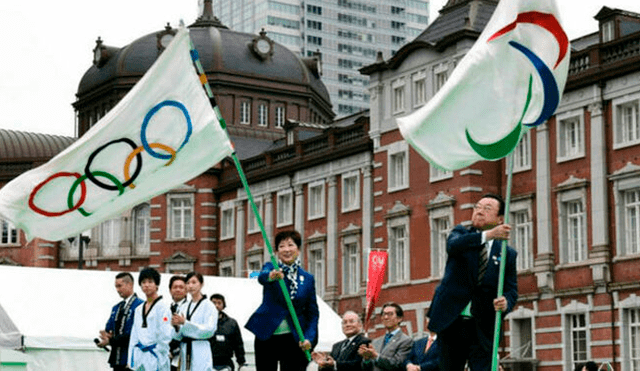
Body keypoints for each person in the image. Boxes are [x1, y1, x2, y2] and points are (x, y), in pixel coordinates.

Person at [427, 193, 518, 371]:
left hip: (483, 326)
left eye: (487, 208)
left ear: (500, 219)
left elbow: (512, 289)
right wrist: (488, 235)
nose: (480, 211)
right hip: (452, 321)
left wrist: (506, 301)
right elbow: (453, 246)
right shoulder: (460, 234)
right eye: (477, 207)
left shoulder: (508, 254)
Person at [245, 230, 319, 371]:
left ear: (298, 249)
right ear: (277, 251)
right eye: (282, 246)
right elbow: (262, 277)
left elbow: (313, 313)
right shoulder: (271, 267)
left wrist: (309, 338)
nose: (286, 250)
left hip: (294, 337)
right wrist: (271, 276)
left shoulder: (307, 278)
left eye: (290, 245)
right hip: (267, 334)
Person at [128, 268, 173, 371]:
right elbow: (134, 335)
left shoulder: (163, 308)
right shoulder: (139, 309)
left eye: (150, 282)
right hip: (140, 355)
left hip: (156, 355)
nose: (146, 285)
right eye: (143, 282)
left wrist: (160, 352)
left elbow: (165, 334)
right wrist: (131, 357)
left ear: (157, 285)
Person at [97, 272, 144, 371]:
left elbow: (135, 334)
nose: (117, 290)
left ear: (130, 285)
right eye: (116, 287)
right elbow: (109, 328)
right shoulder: (116, 307)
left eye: (120, 286)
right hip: (117, 358)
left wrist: (111, 340)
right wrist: (106, 335)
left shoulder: (141, 306)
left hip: (132, 358)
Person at [172, 272, 217, 371]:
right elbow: (177, 336)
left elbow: (209, 330)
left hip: (200, 348)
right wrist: (176, 327)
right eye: (188, 283)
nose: (190, 286)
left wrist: (185, 323)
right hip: (185, 350)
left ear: (201, 284)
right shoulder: (184, 306)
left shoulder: (209, 306)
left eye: (194, 282)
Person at [358, 302, 413, 371]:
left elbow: (397, 364)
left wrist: (376, 356)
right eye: (384, 314)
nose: (386, 317)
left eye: (390, 314)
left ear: (399, 318)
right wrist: (366, 359)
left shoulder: (406, 341)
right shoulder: (376, 342)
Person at [210, 293, 247, 370]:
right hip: (208, 362)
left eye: (219, 303)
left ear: (223, 306)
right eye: (213, 303)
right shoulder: (203, 322)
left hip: (226, 363)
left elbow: (238, 344)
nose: (216, 306)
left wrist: (241, 362)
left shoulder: (232, 323)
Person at [169, 275, 188, 371]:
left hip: (184, 355)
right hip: (167, 357)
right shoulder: (166, 309)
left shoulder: (190, 309)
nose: (177, 290)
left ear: (186, 290)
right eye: (175, 287)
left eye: (181, 287)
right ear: (170, 290)